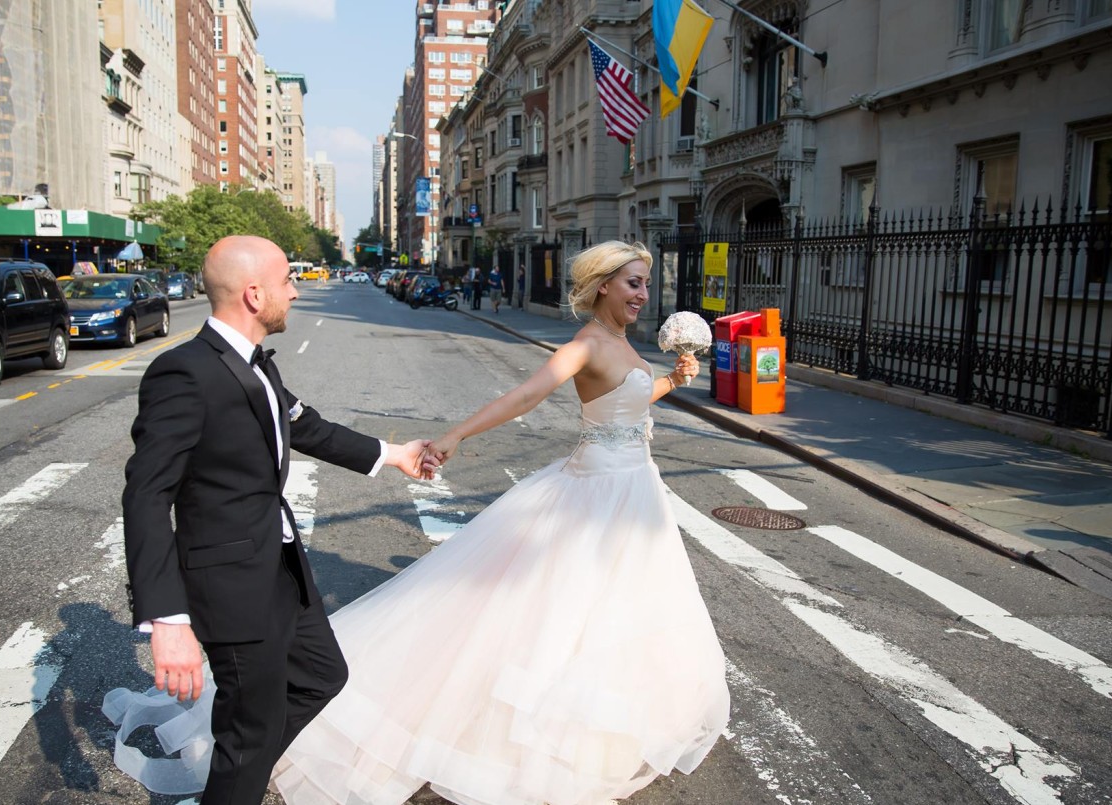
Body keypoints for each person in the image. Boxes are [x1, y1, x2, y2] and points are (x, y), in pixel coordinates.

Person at [269, 240, 728, 805]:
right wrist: (457, 435)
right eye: (633, 283)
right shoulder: (587, 342)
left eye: (645, 284)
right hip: (598, 492)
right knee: (560, 613)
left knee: (621, 610)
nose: (643, 294)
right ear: (604, 285)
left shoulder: (621, 342)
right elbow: (527, 395)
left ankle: (606, 719)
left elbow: (627, 406)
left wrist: (674, 381)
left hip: (635, 491)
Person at [116, 235, 433, 805]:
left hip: (279, 567)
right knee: (249, 729)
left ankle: (241, 771)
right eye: (288, 280)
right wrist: (167, 619)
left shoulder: (255, 365)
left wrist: (393, 453)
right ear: (255, 294)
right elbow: (145, 493)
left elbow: (305, 426)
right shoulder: (184, 373)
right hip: (230, 585)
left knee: (320, 676)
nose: (295, 290)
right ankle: (238, 773)